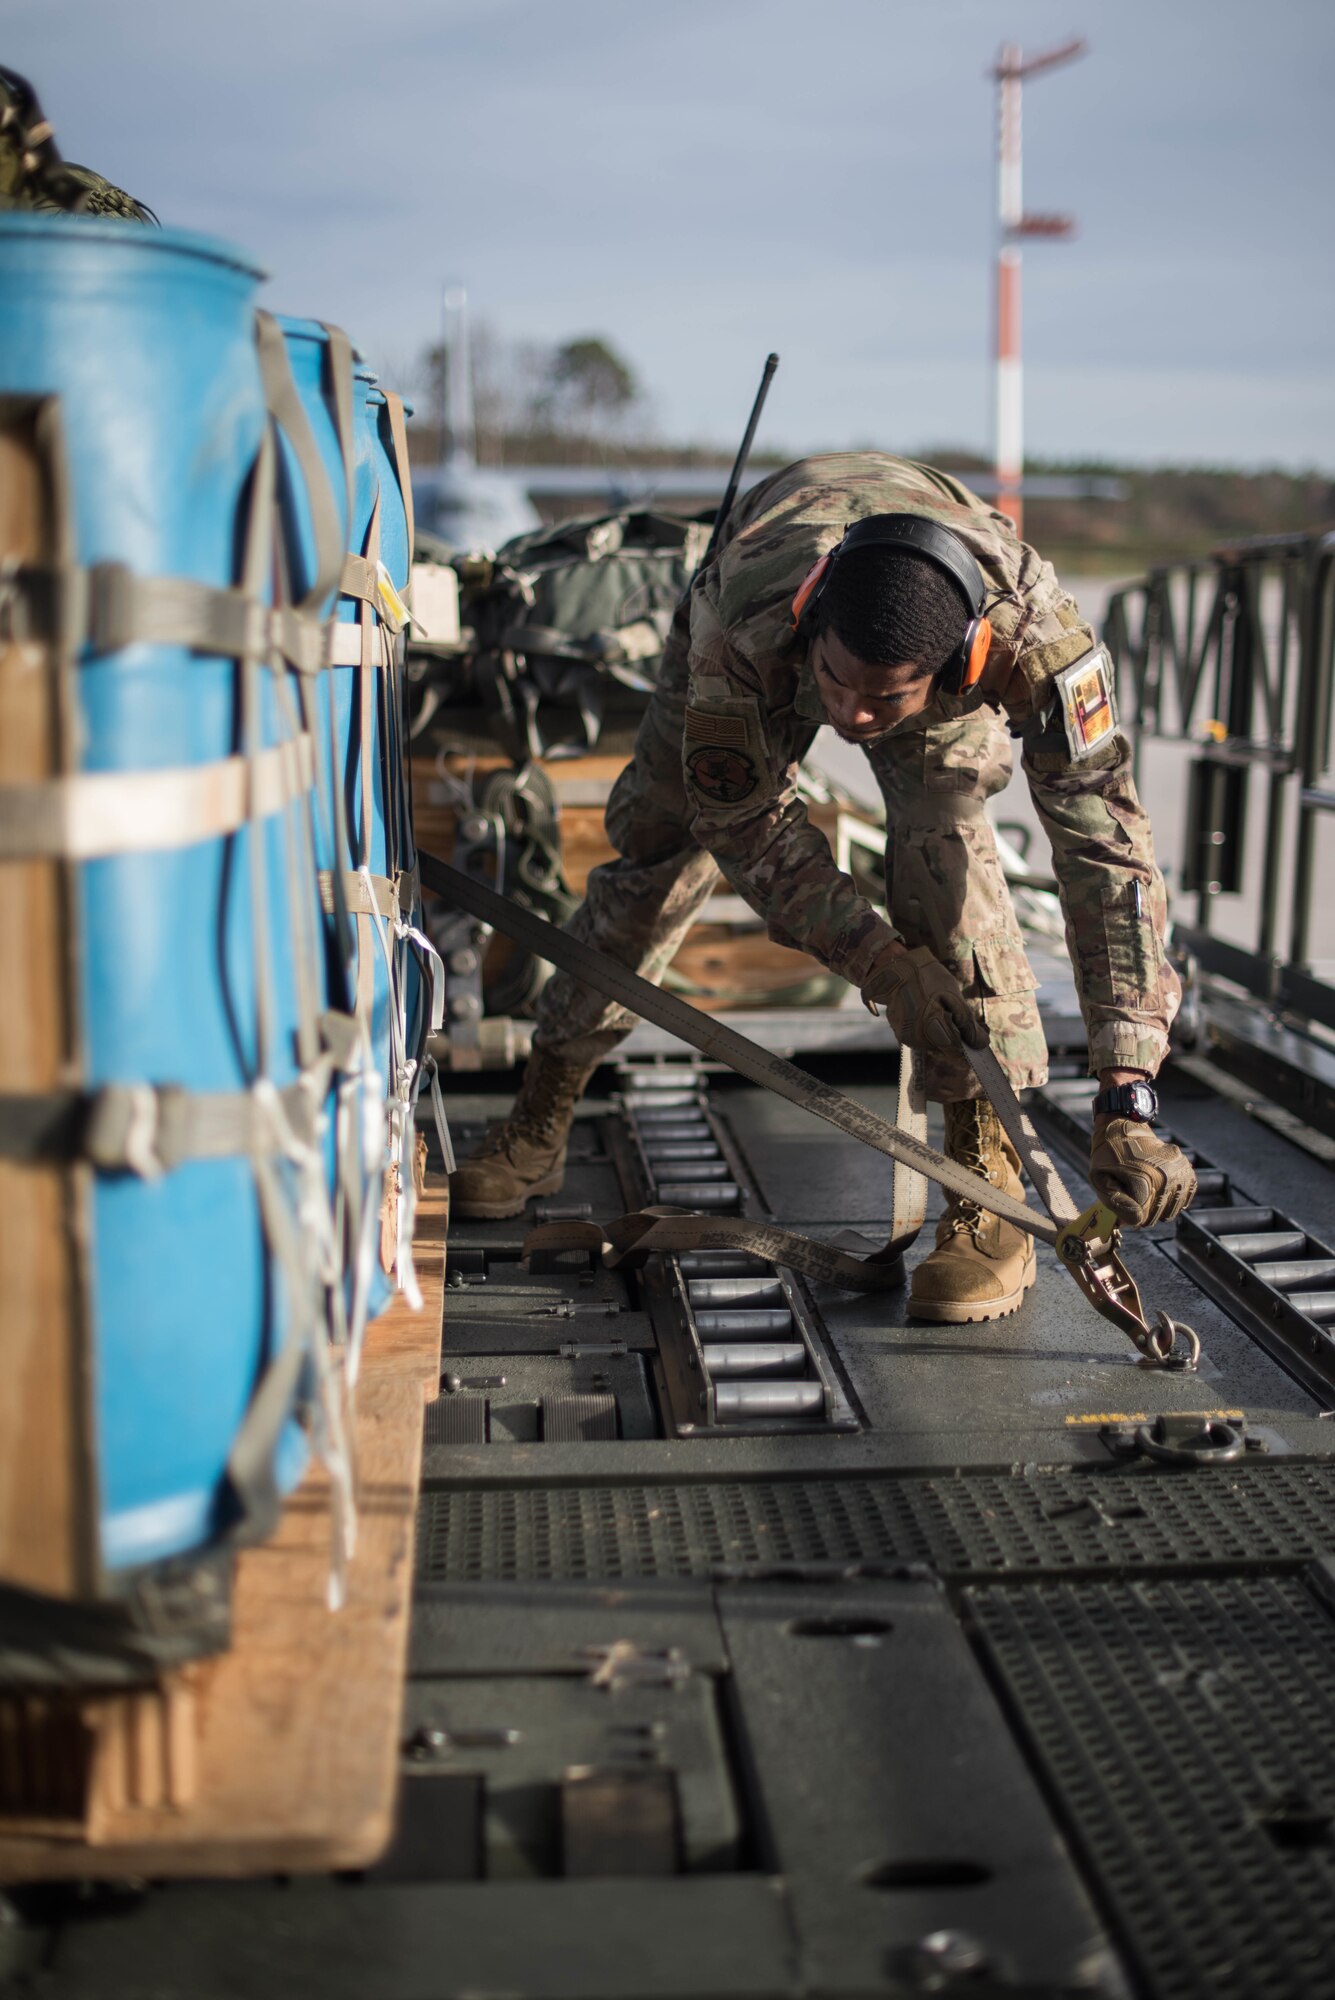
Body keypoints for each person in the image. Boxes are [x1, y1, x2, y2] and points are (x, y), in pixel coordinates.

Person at [451, 453, 1195, 1321]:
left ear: (963, 660)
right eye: (836, 686)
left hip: (940, 662)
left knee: (944, 849)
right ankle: (541, 1114)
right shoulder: (748, 624)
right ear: (812, 626)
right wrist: (878, 962)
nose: (849, 718)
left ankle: (984, 1181)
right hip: (764, 602)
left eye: (880, 700)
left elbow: (1107, 856)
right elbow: (741, 825)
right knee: (662, 848)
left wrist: (1126, 1089)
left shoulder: (1036, 646)